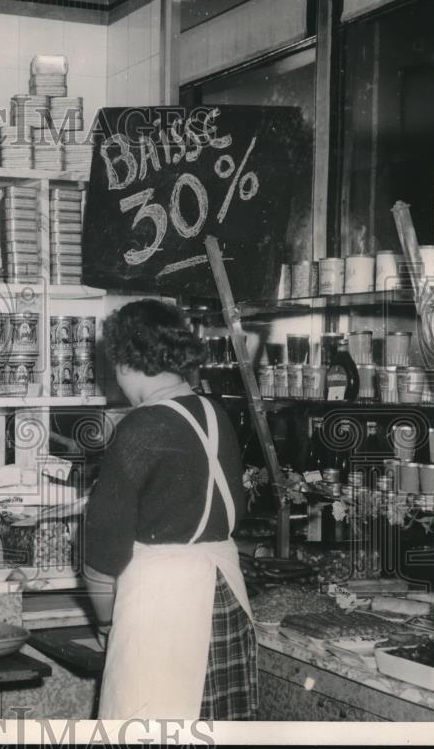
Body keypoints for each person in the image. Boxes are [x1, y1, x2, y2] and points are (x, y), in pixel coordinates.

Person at [82, 299, 257, 720]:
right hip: (224, 596)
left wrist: (104, 621)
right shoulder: (217, 413)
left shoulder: (140, 427)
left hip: (163, 608)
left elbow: (104, 555)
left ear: (124, 361)